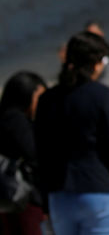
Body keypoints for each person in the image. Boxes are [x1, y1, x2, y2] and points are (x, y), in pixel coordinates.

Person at [34, 32, 109, 235]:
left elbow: (41, 155)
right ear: (95, 63)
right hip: (99, 191)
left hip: (59, 194)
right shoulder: (104, 96)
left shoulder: (47, 99)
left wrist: (44, 202)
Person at [0, 71, 47, 235]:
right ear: (27, 95)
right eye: (40, 97)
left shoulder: (6, 117)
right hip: (22, 197)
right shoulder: (16, 120)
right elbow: (34, 153)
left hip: (10, 196)